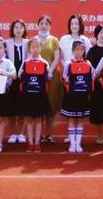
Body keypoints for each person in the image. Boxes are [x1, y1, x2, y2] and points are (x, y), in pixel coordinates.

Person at [18, 37, 51, 152]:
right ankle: (30, 143)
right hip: (28, 95)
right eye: (33, 47)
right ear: (29, 49)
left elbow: (49, 77)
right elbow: (19, 75)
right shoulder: (25, 63)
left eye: (37, 47)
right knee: (29, 120)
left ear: (40, 48)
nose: (35, 49)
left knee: (38, 120)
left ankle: (37, 143)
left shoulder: (44, 63)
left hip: (39, 96)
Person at [61, 41, 93, 153]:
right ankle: (72, 143)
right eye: (77, 49)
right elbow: (64, 77)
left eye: (81, 50)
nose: (79, 52)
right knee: (71, 118)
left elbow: (92, 76)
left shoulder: (88, 63)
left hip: (82, 96)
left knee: (80, 119)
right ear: (73, 50)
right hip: (71, 96)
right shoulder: (68, 63)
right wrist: (66, 81)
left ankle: (78, 143)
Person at [36, 15, 62, 144]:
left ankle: (49, 134)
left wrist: (49, 71)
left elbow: (57, 58)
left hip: (52, 77)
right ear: (37, 25)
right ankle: (39, 134)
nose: (44, 26)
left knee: (51, 107)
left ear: (50, 26)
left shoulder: (54, 40)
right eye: (41, 23)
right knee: (39, 106)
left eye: (46, 24)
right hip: (37, 77)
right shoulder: (34, 40)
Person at [86, 25, 103, 145]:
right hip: (97, 85)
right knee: (97, 111)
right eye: (101, 33)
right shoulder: (92, 50)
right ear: (96, 35)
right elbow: (89, 68)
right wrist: (98, 78)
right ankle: (99, 135)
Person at [5, 19, 28, 145]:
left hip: (24, 80)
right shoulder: (7, 43)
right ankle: (13, 133)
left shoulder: (28, 43)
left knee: (22, 107)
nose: (18, 29)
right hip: (11, 79)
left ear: (24, 30)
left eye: (21, 27)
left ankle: (21, 133)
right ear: (12, 29)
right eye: (16, 27)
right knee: (11, 108)